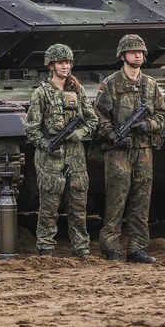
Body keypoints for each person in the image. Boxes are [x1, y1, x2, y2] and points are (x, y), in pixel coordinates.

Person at [93, 34, 165, 264]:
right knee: (116, 199)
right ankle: (111, 248)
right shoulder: (111, 84)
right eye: (133, 51)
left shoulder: (151, 85)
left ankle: (137, 248)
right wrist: (113, 136)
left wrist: (149, 125)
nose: (138, 55)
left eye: (141, 52)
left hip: (144, 149)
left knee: (141, 200)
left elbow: (163, 115)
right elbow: (100, 116)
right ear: (122, 55)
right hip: (118, 151)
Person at [24, 43, 98, 257]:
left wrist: (81, 133)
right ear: (51, 65)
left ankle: (81, 246)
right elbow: (32, 129)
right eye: (60, 63)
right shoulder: (41, 94)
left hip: (75, 156)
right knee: (49, 204)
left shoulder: (78, 90)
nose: (65, 67)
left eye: (67, 62)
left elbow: (92, 120)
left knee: (78, 204)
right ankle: (46, 245)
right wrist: (48, 146)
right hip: (50, 157)